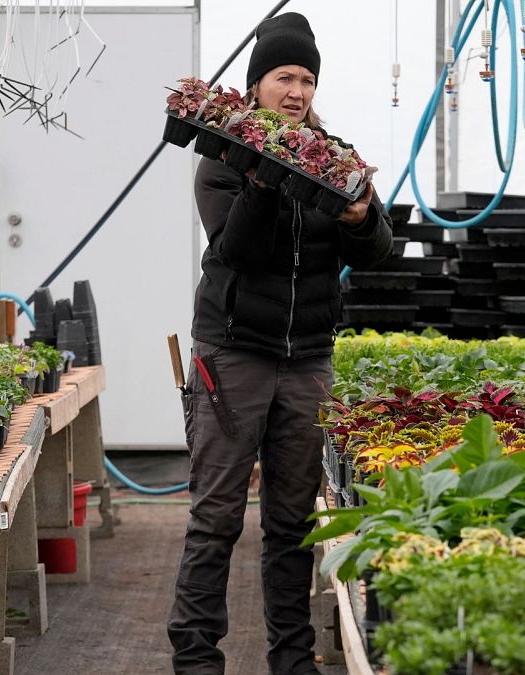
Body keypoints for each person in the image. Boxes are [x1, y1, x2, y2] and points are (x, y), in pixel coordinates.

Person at [167, 12, 393, 675]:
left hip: (307, 360)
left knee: (294, 523)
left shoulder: (334, 155)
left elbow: (376, 252)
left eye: (306, 79)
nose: (296, 91)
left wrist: (361, 212)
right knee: (216, 516)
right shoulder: (221, 155)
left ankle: (292, 660)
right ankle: (196, 659)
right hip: (233, 352)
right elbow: (236, 249)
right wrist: (265, 174)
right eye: (284, 76)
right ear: (258, 83)